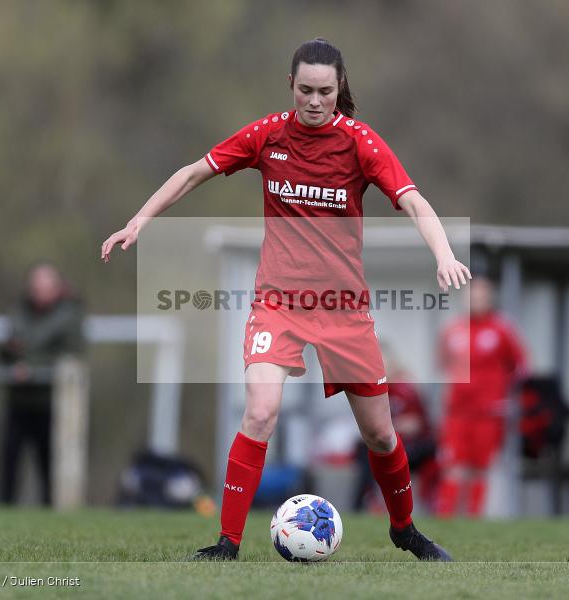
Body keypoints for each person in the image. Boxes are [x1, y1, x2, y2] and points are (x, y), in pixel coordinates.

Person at [102, 38, 470, 561]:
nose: (315, 101)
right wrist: (139, 221)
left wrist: (444, 253)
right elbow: (194, 172)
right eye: (305, 90)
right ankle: (227, 543)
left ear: (339, 88)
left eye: (325, 91)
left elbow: (413, 201)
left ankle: (404, 528)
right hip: (278, 303)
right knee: (260, 412)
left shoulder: (361, 143)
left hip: (344, 310)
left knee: (381, 435)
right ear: (291, 85)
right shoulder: (267, 135)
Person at [436, 276, 528, 518]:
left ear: (490, 299)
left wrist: (498, 391)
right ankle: (445, 518)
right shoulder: (452, 330)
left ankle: (472, 519)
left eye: (480, 296)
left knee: (480, 467)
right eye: (470, 296)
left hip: (488, 412)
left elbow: (521, 366)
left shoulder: (501, 329)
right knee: (453, 465)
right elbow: (443, 364)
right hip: (457, 411)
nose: (475, 301)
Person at [0, 262, 84, 505]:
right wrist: (10, 353)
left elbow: (71, 354)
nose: (40, 292)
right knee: (9, 459)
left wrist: (32, 366)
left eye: (45, 286)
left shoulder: (70, 314)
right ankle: (4, 508)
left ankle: (52, 509)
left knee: (48, 462)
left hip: (51, 401)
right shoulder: (19, 310)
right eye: (36, 286)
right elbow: (8, 347)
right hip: (19, 398)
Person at [352, 353, 438, 513]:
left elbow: (414, 424)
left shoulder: (402, 390)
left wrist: (385, 429)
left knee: (375, 449)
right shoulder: (381, 392)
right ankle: (366, 500)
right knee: (363, 447)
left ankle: (369, 501)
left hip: (418, 445)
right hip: (402, 441)